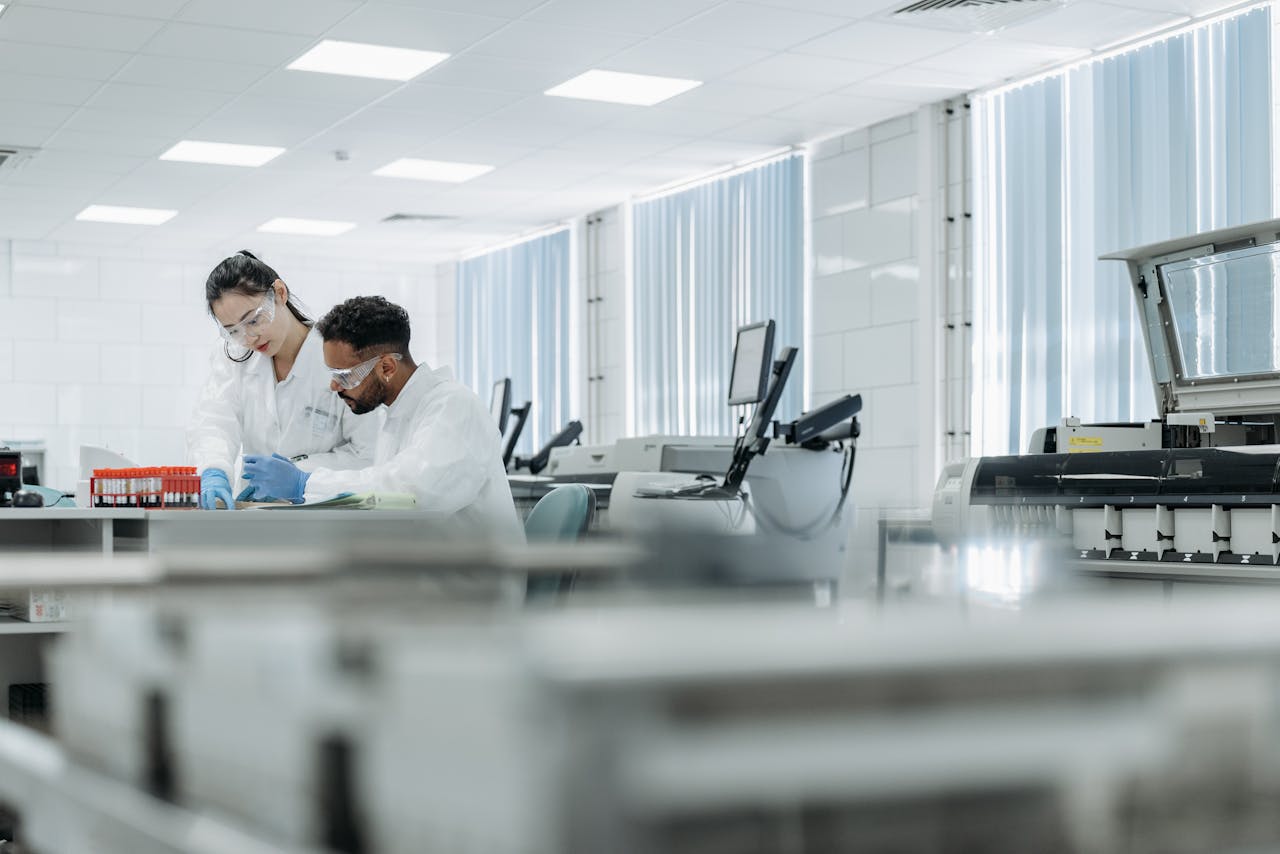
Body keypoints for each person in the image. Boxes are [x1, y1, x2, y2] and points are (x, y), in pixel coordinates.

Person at [239, 295, 524, 541]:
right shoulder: (397, 417)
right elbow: (379, 487)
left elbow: (410, 495)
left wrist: (305, 484)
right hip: (429, 580)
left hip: (470, 592)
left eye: (344, 376)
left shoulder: (453, 407)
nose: (334, 387)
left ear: (387, 367)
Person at [188, 251, 378, 510]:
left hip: (326, 514)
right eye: (234, 331)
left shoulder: (341, 357)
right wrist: (213, 470)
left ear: (279, 293)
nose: (250, 337)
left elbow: (369, 453)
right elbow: (213, 423)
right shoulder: (233, 359)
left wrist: (300, 476)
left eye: (254, 320)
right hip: (255, 510)